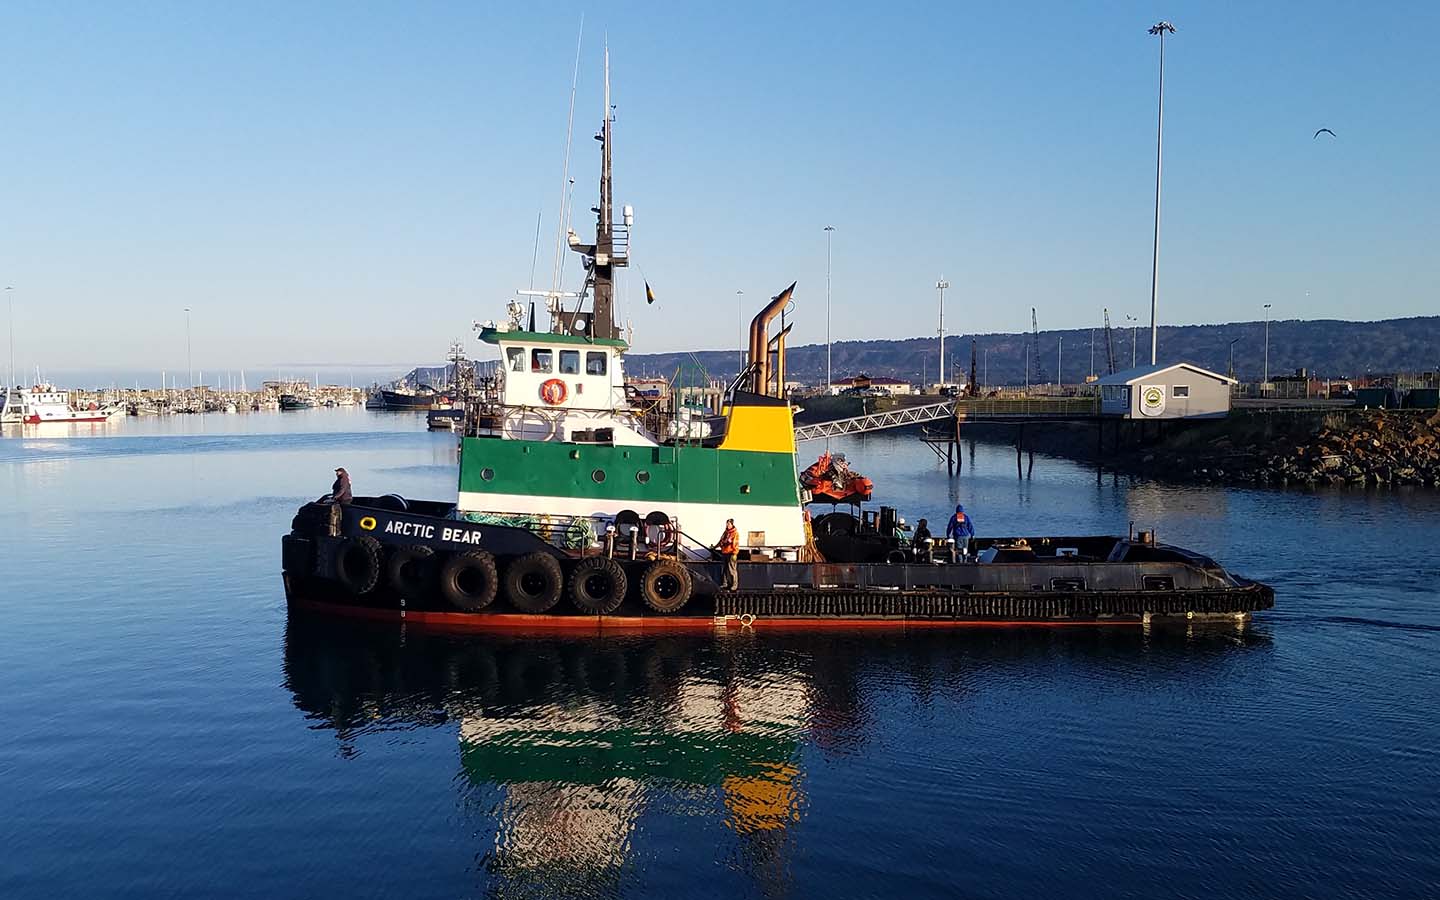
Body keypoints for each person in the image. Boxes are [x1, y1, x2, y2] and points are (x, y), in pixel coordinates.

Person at [716, 518, 740, 590]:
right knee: (724, 569)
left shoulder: (735, 533)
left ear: (732, 524)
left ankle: (734, 585)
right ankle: (725, 583)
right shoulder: (725, 532)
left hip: (731, 553)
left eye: (729, 524)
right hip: (724, 553)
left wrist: (735, 554)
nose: (727, 525)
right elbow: (721, 541)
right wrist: (715, 547)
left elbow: (735, 544)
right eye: (727, 524)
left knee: (732, 570)